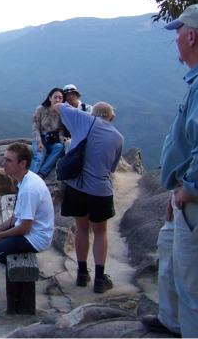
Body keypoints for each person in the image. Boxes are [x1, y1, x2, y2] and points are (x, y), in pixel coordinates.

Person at [140, 4, 198, 338]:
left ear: (193, 36)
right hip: (187, 196)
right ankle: (173, 321)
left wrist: (190, 189)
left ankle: (192, 328)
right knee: (170, 255)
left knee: (197, 288)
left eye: (179, 34)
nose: (176, 41)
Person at [0, 142, 54, 324]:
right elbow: (16, 217)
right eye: (4, 159)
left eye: (9, 160)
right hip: (29, 231)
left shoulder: (29, 188)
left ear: (22, 164)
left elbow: (24, 228)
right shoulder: (25, 179)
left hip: (35, 238)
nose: (4, 164)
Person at [53, 101, 123, 294]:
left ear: (93, 114)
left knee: (82, 228)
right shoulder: (118, 137)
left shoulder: (84, 120)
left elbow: (58, 107)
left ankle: (82, 273)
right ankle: (100, 278)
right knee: (100, 233)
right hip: (100, 190)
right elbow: (112, 169)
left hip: (76, 186)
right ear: (112, 117)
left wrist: (70, 107)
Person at [29, 88, 65, 178]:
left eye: (60, 98)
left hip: (52, 141)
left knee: (60, 147)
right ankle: (30, 179)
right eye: (55, 97)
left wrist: (62, 140)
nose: (58, 100)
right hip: (40, 138)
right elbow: (35, 127)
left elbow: (61, 129)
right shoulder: (41, 109)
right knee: (38, 158)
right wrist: (39, 142)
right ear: (50, 98)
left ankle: (41, 174)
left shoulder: (61, 112)